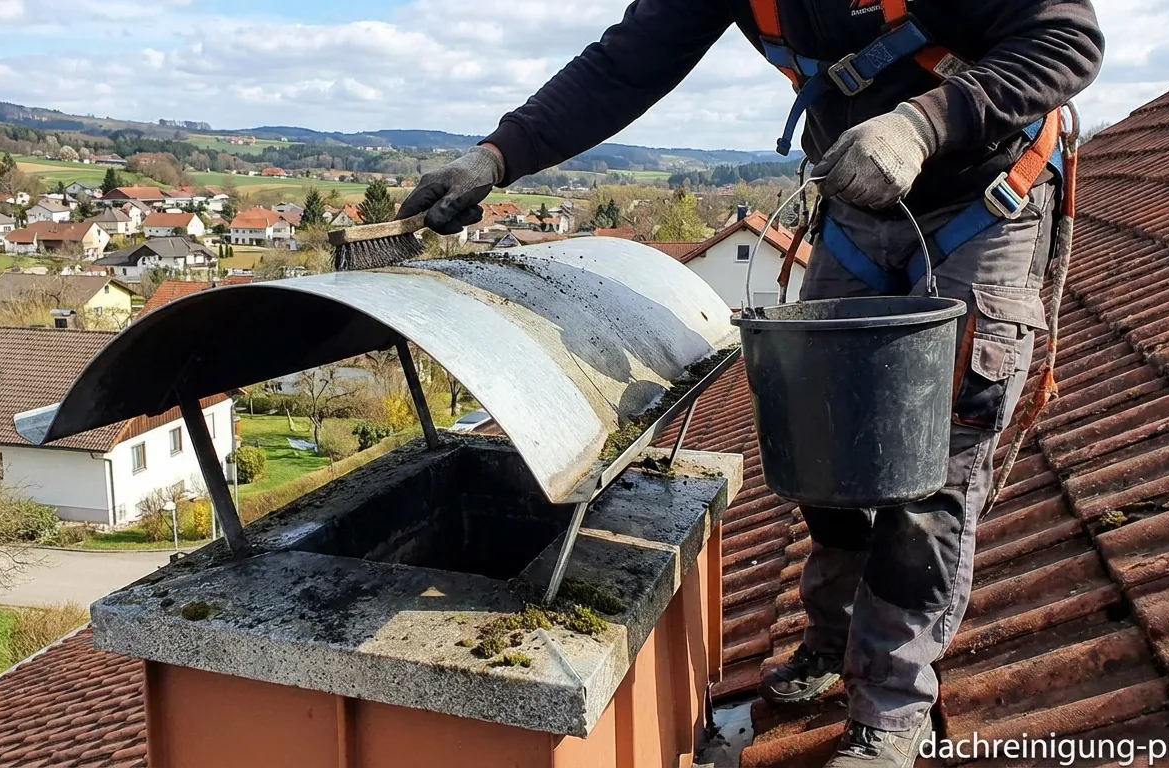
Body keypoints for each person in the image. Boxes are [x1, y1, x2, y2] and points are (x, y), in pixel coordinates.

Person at [398, 1, 1103, 766]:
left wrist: (923, 125)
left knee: (932, 471)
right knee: (823, 443)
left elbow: (1066, 40)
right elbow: (625, 64)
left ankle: (891, 708)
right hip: (858, 203)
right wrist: (498, 156)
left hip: (987, 196)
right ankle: (833, 639)